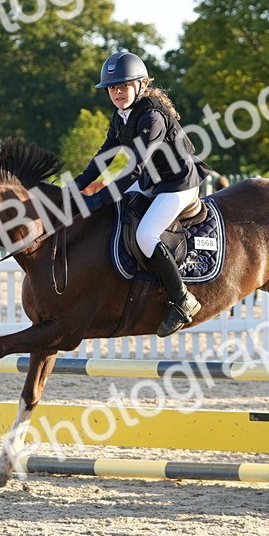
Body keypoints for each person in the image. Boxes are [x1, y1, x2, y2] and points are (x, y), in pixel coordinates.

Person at [73, 50, 208, 337]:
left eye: (123, 86)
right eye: (112, 88)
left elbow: (133, 169)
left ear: (141, 85)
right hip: (153, 181)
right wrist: (75, 187)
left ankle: (182, 299)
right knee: (115, 212)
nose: (117, 92)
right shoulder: (121, 115)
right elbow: (105, 155)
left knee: (145, 235)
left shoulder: (152, 116)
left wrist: (96, 198)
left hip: (178, 184)